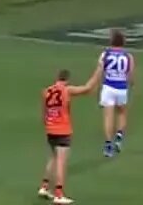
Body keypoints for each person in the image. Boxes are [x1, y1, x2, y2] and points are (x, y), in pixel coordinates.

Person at [38, 68, 100, 204]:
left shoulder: (47, 91)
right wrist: (99, 70)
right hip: (62, 130)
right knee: (61, 161)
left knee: (53, 157)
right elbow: (87, 88)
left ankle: (44, 187)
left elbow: (44, 112)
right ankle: (59, 194)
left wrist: (48, 124)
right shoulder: (67, 90)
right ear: (67, 80)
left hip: (50, 128)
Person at [85, 28, 135, 157]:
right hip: (121, 88)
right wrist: (130, 84)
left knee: (108, 117)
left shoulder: (105, 54)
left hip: (108, 87)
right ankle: (119, 137)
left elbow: (100, 71)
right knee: (122, 113)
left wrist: (93, 85)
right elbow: (130, 76)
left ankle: (108, 144)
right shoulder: (128, 56)